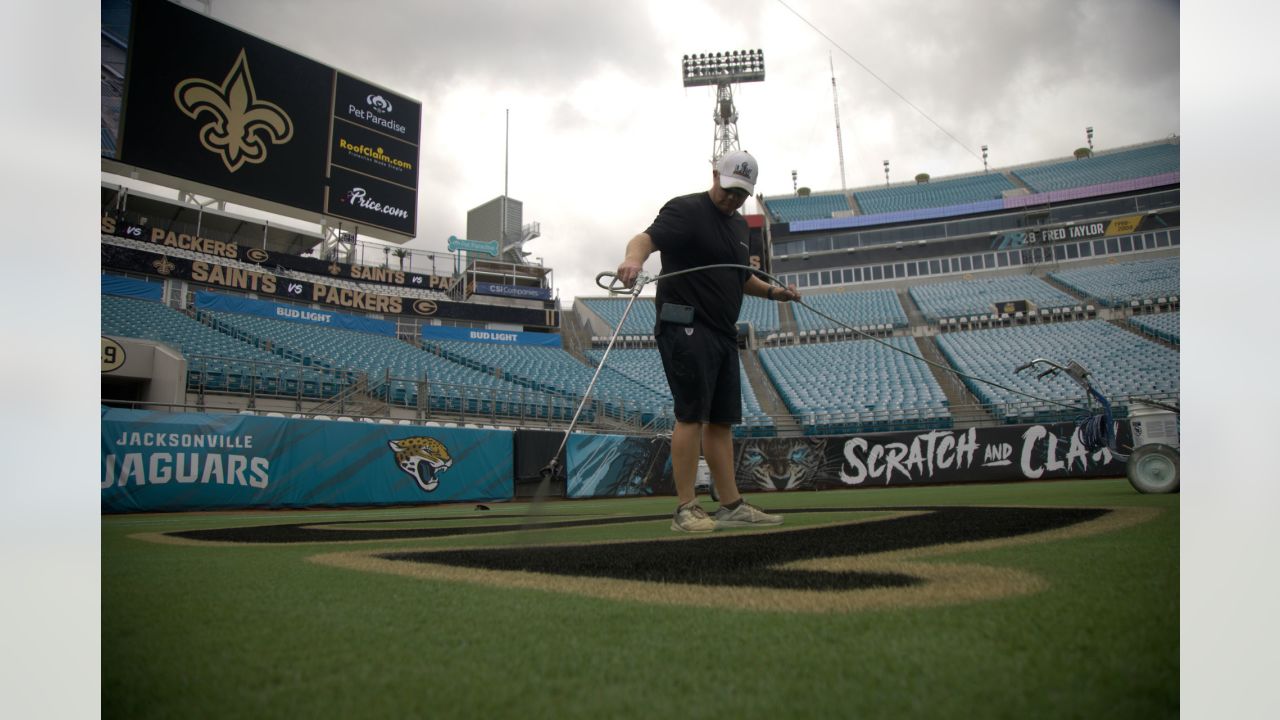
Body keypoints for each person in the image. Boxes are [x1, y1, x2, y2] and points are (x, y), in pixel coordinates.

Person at [615, 150, 800, 532]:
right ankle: (685, 508)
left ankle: (730, 505)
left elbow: (739, 278)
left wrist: (774, 294)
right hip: (684, 322)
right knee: (691, 414)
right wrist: (633, 260)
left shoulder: (739, 229)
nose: (733, 199)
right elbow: (645, 239)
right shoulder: (686, 210)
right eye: (729, 189)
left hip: (721, 331)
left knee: (721, 422)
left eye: (741, 194)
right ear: (715, 174)